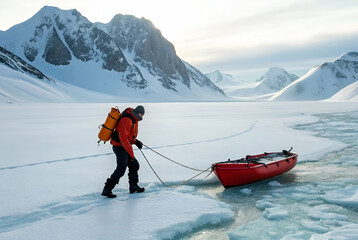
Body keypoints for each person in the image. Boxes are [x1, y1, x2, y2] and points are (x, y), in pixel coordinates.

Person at [101, 105, 145, 198]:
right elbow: (123, 139)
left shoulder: (134, 120)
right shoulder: (127, 120)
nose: (142, 117)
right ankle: (107, 189)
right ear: (139, 113)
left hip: (124, 145)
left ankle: (133, 186)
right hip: (119, 147)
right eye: (142, 115)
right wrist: (131, 155)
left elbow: (129, 136)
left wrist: (135, 141)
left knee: (134, 165)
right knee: (121, 169)